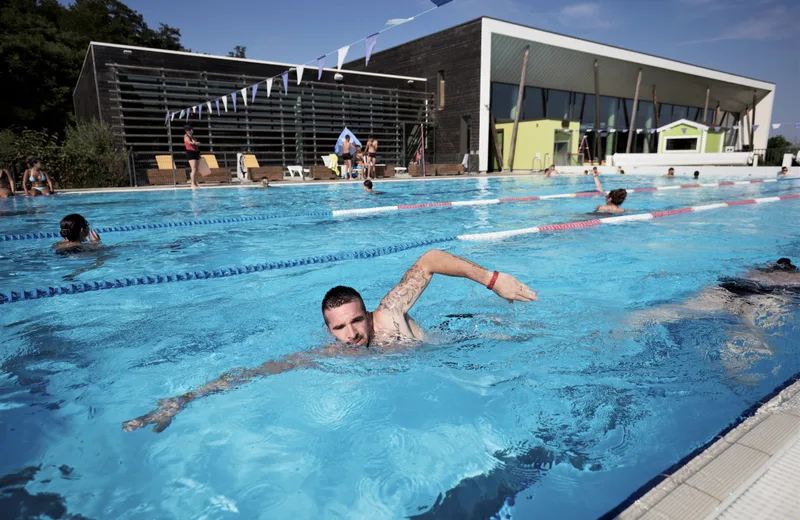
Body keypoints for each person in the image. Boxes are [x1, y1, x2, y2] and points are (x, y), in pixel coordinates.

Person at [122, 249, 537, 432]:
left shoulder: (389, 316)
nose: (353, 334)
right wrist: (185, 399)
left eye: (357, 321)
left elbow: (429, 260)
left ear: (367, 313)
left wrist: (493, 280)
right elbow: (254, 373)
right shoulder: (329, 353)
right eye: (340, 328)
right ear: (328, 331)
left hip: (467, 346)